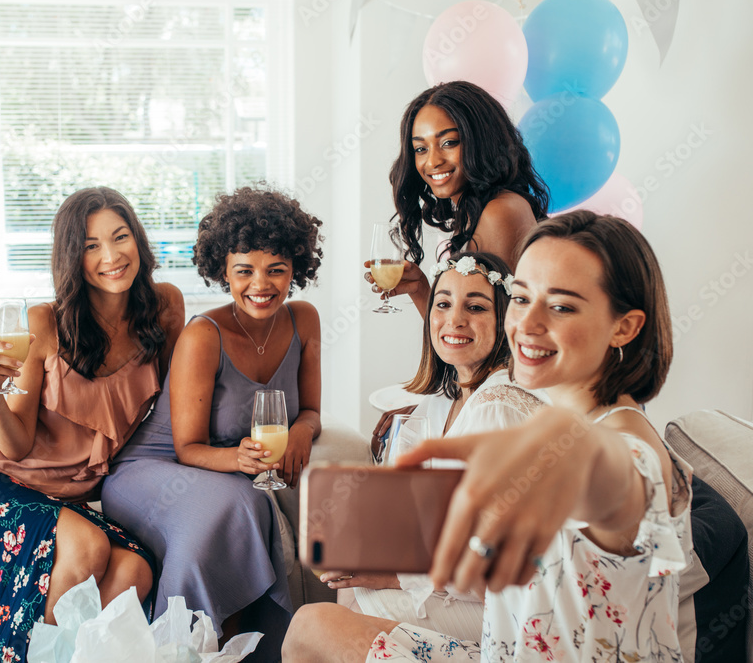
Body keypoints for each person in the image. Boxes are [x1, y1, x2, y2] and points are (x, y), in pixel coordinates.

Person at [284, 210, 692, 662]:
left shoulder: (623, 444)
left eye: (560, 305)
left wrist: (579, 451)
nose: (527, 324)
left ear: (625, 326)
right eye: (520, 298)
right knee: (308, 628)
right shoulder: (561, 419)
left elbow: (619, 478)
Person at [0, 187, 185, 662]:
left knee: (134, 574)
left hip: (61, 497)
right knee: (87, 547)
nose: (110, 256)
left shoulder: (164, 309)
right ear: (73, 256)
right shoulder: (45, 322)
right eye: (90, 245)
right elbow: (17, 445)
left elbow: (177, 408)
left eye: (120, 237)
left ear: (138, 241)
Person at [102, 186, 323, 663]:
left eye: (276, 270)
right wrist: (238, 460)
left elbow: (310, 410)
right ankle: (180, 652)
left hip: (224, 469)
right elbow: (188, 448)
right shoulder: (205, 334)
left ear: (296, 270)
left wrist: (303, 431)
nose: (260, 285)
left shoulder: (305, 320)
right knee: (239, 502)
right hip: (151, 468)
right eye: (244, 271)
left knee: (248, 500)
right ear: (223, 271)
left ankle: (236, 652)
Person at [326, 252, 543, 639]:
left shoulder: (497, 409)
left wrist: (392, 576)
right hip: (455, 578)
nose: (454, 320)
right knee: (349, 593)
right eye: (442, 304)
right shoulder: (444, 398)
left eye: (475, 307)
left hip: (507, 607)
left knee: (341, 614)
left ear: (507, 321)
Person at [365, 81, 550, 318]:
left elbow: (493, 339)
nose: (432, 161)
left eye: (448, 143)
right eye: (421, 149)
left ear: (482, 141)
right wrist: (420, 288)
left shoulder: (500, 212)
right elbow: (457, 334)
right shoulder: (474, 212)